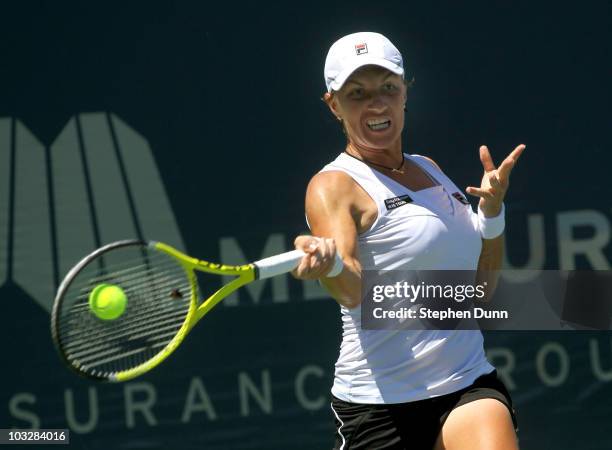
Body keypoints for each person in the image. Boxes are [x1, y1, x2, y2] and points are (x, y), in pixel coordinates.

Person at [291, 32, 525, 450]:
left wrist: (492, 216)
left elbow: (481, 291)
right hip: (378, 407)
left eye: (388, 88)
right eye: (357, 93)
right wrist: (331, 266)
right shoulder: (332, 186)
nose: (376, 104)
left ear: (405, 93)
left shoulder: (429, 169)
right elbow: (353, 290)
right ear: (333, 105)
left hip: (467, 384)